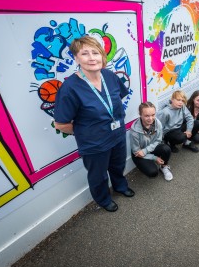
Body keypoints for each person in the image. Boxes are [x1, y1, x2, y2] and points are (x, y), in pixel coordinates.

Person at [54, 36, 134, 213]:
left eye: (95, 52)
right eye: (85, 53)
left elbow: (117, 99)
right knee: (98, 176)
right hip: (94, 144)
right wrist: (87, 132)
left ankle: (120, 186)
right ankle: (104, 199)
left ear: (102, 56)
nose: (91, 58)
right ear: (76, 58)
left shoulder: (110, 76)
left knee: (118, 165)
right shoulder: (69, 88)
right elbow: (61, 124)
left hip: (117, 135)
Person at [130, 102, 173, 181]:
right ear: (140, 114)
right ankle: (149, 164)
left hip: (148, 149)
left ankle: (164, 166)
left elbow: (158, 140)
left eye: (153, 115)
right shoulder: (134, 130)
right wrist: (154, 158)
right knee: (153, 172)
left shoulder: (158, 123)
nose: (151, 118)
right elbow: (136, 152)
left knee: (166, 149)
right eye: (147, 116)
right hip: (139, 154)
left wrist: (146, 150)